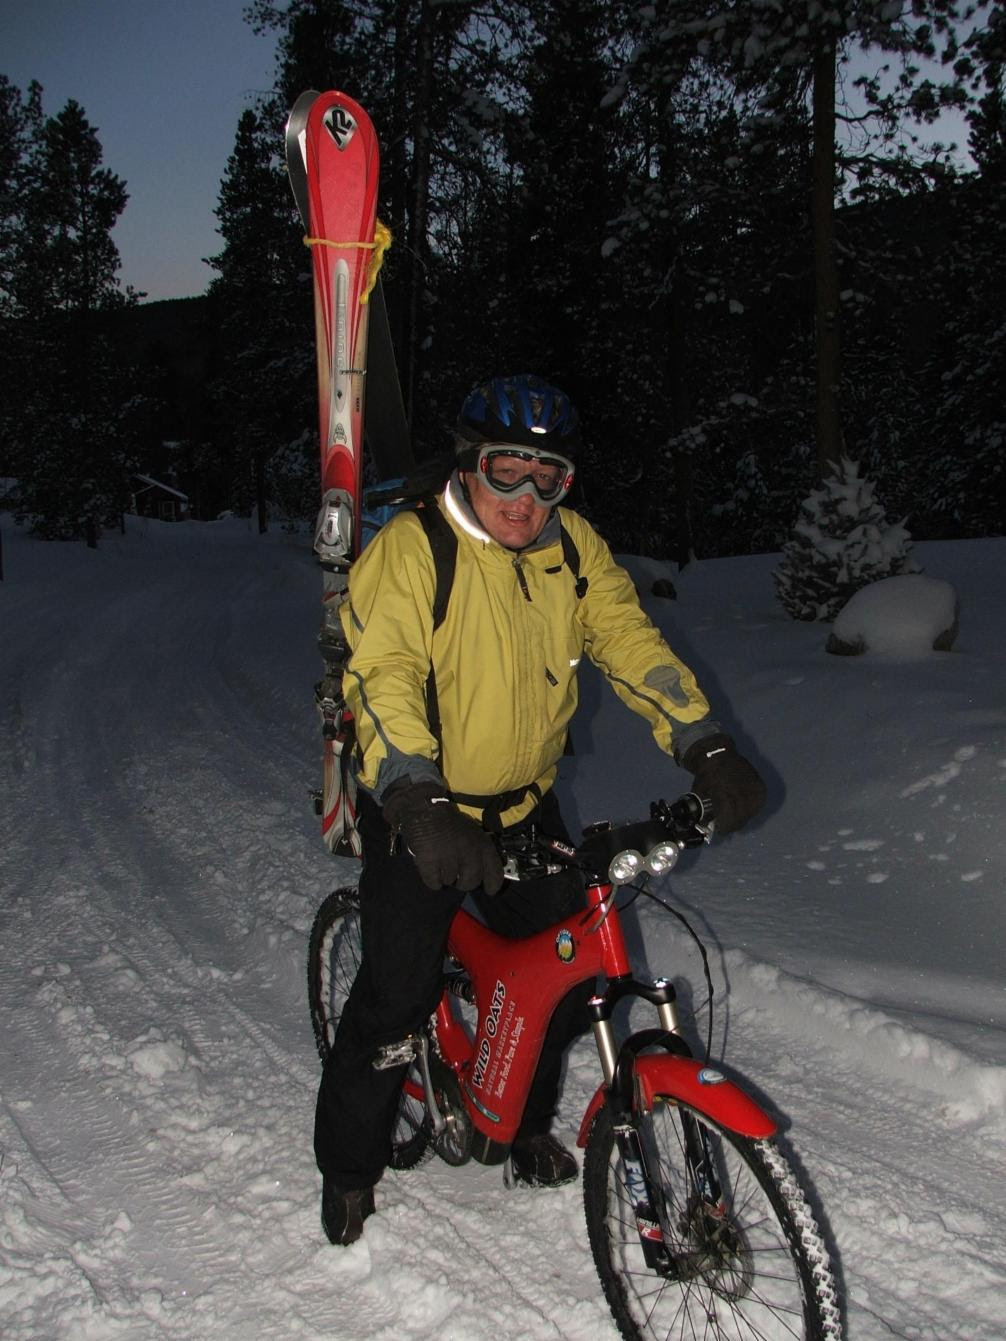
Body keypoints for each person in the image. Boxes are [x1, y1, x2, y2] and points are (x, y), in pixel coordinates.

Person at [314, 373, 766, 1245]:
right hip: (424, 808)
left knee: (568, 974)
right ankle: (348, 1167)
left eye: (547, 477)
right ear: (469, 464)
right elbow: (385, 675)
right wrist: (414, 799)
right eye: (506, 471)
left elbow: (631, 644)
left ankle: (518, 1124)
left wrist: (703, 742)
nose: (525, 498)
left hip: (523, 805)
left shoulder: (574, 551)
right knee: (393, 1001)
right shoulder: (413, 549)